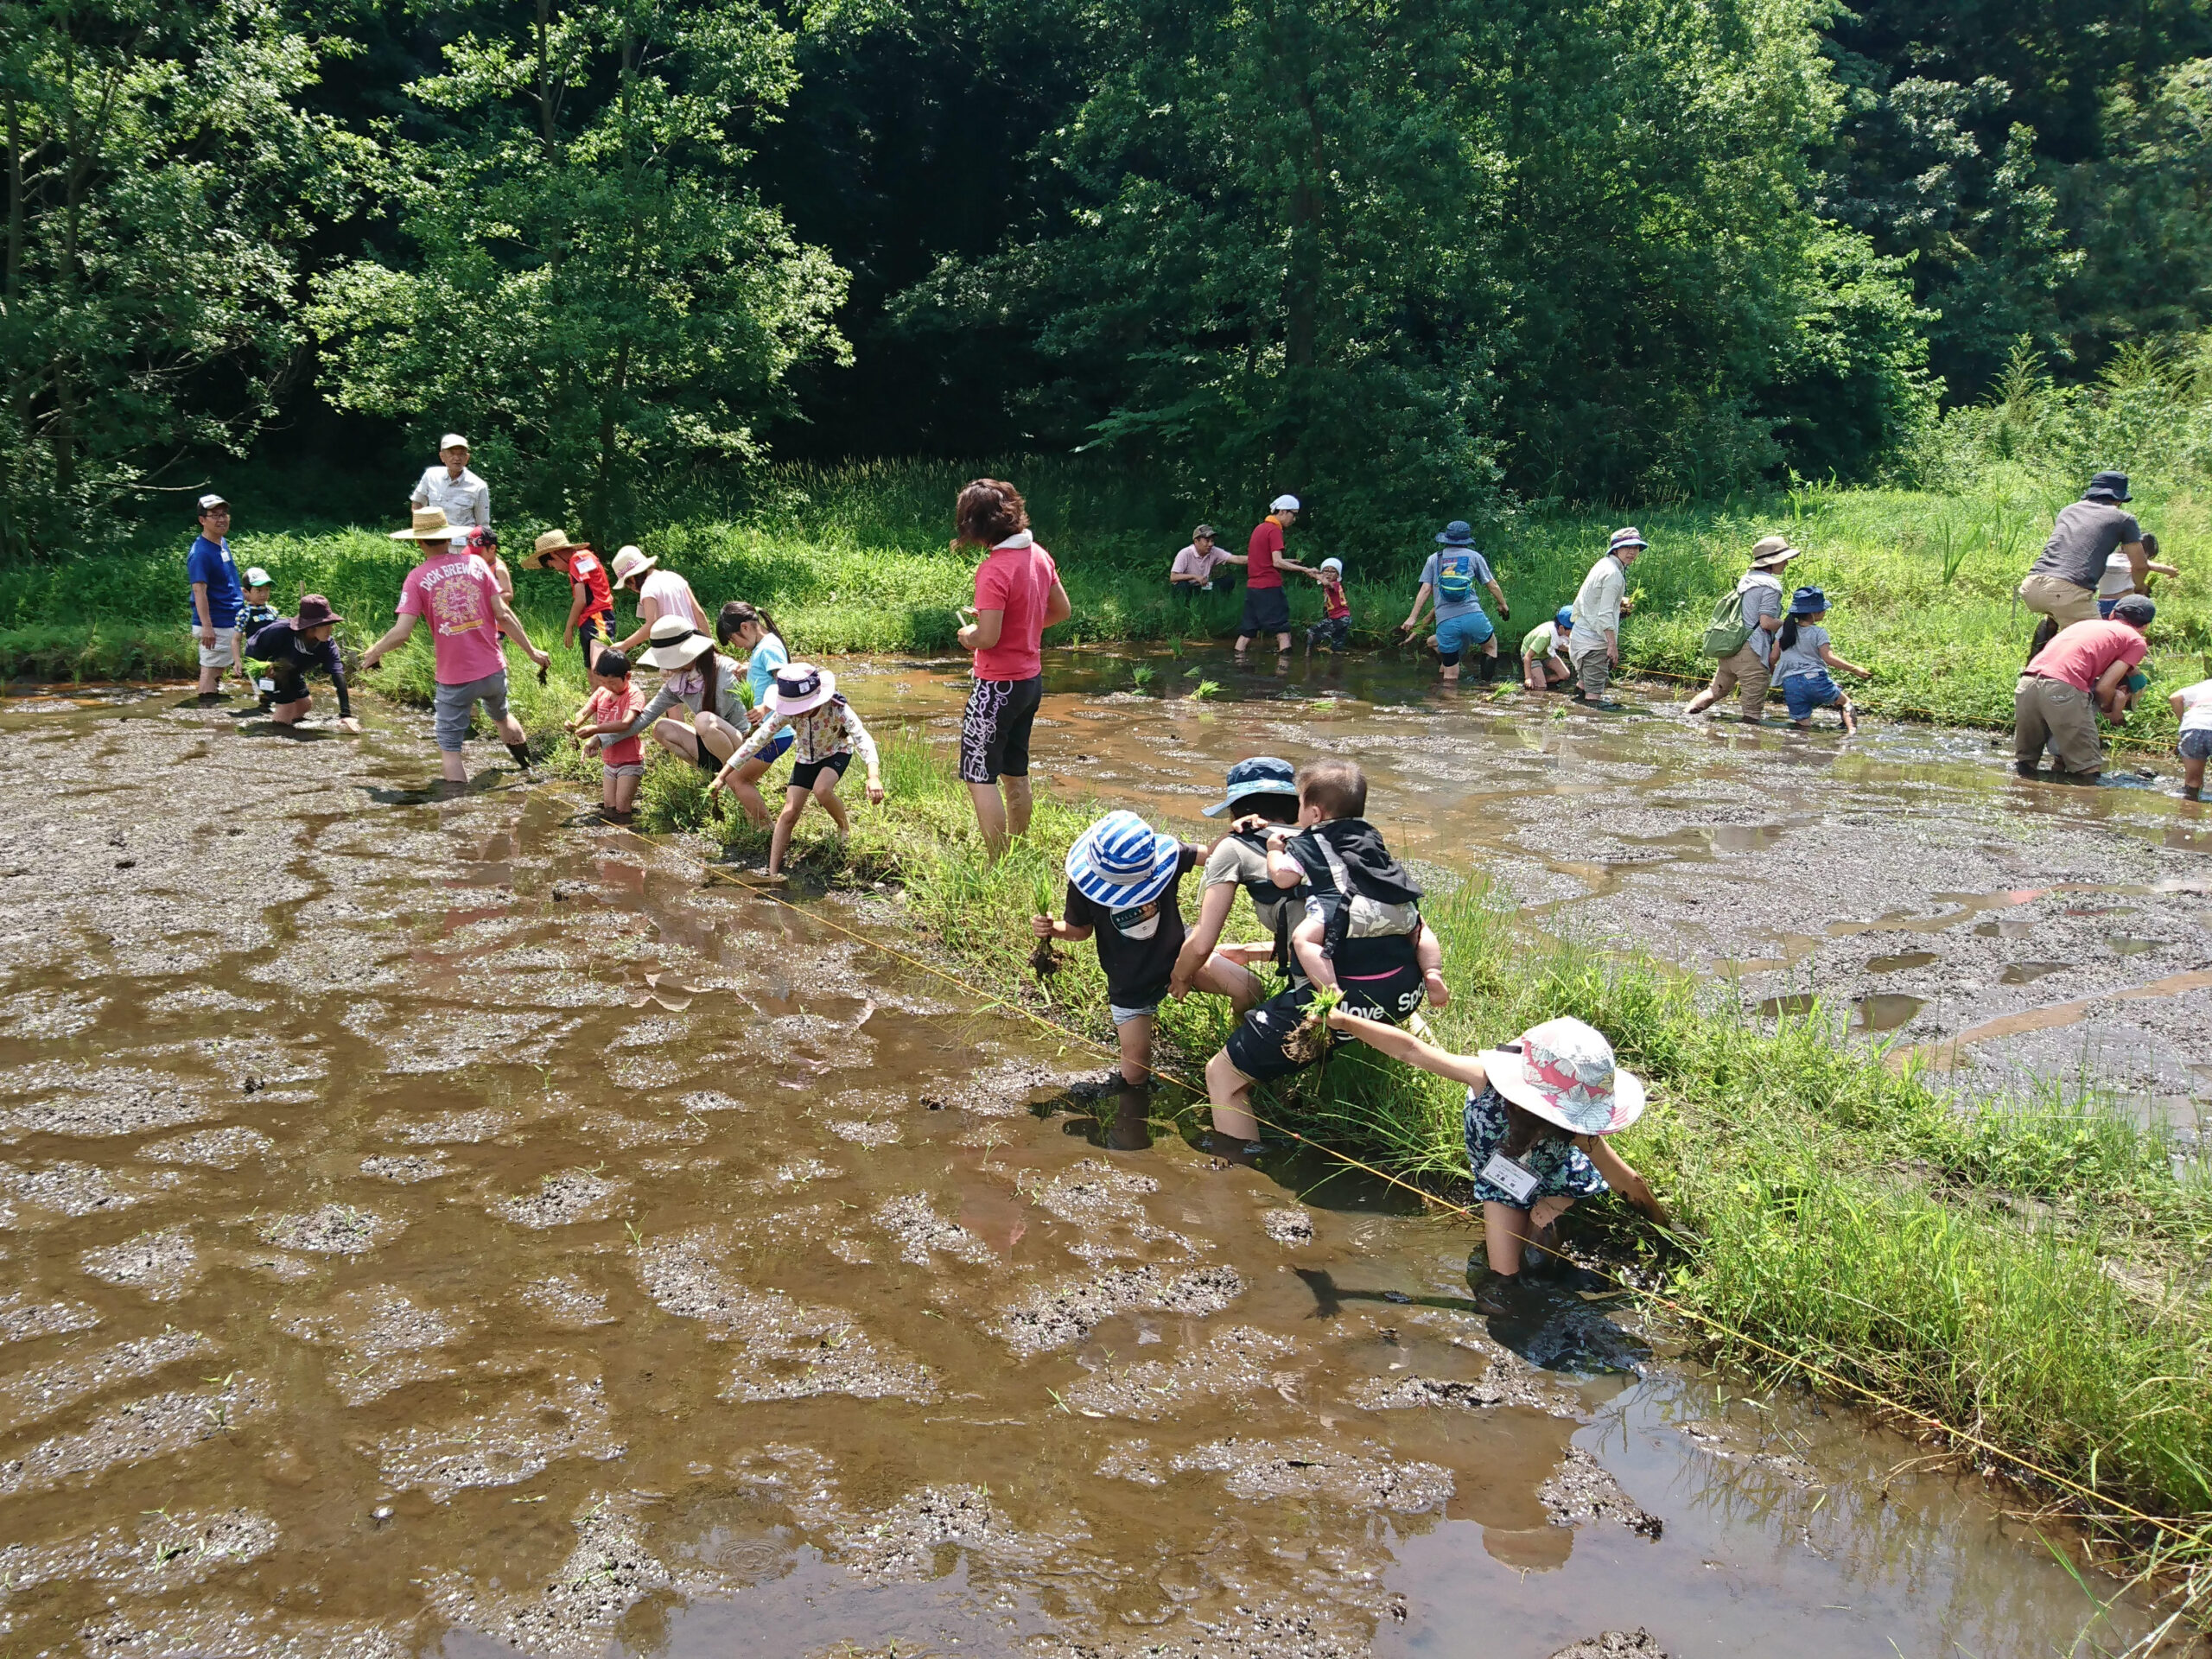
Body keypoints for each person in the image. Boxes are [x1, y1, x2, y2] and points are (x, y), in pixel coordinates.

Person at [1323, 1011, 1669, 1287]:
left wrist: (1666, 1230)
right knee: (1505, 1276)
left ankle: (1562, 1229)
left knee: (1539, 1258)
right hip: (1502, 1186)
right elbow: (1411, 1050)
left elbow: (1627, 1180)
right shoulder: (1485, 1079)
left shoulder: (1575, 1129)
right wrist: (1345, 1021)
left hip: (1554, 1180)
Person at [1201, 759, 1434, 1153]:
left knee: (1221, 1074)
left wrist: (1178, 976)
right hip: (1401, 991)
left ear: (1311, 811)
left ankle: (1239, 1181)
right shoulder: (1366, 845)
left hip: (1338, 1002)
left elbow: (1204, 941)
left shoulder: (1290, 849)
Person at [359, 508, 551, 782]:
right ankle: (528, 771)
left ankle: (457, 812)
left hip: (455, 678)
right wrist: (532, 652)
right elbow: (504, 615)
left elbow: (402, 633)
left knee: (451, 750)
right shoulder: (478, 566)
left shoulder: (416, 578)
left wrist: (374, 651)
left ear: (418, 542)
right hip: (493, 670)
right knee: (503, 717)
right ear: (448, 539)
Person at [1033, 810, 1204, 1090]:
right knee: (1136, 1072)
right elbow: (1081, 930)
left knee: (1247, 987)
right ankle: (1129, 1110)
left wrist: (1242, 834)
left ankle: (1234, 1052)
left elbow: (1217, 856)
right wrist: (1053, 929)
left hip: (1182, 956)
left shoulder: (1167, 856)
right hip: (1130, 983)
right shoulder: (1083, 886)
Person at [1268, 760, 1449, 1010]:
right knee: (1421, 929)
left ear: (1316, 814)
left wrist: (1274, 852)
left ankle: (1329, 991)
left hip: (1348, 913)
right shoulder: (1371, 835)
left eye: (1300, 805)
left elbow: (1282, 878)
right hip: (1395, 907)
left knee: (1304, 939)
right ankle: (1432, 973)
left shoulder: (1306, 843)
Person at [954, 479, 1071, 855]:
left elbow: (986, 638)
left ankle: (997, 861)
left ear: (975, 525)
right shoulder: (1038, 554)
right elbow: (1061, 611)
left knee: (978, 775)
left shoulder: (994, 569)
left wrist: (968, 633)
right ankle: (1018, 850)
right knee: (1014, 770)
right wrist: (1015, 625)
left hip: (995, 687)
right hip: (1029, 682)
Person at [710, 663, 884, 881]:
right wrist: (722, 777)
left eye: (803, 707)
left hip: (835, 752)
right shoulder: (787, 713)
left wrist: (873, 776)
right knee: (789, 811)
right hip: (805, 759)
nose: (798, 713)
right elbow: (755, 742)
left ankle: (844, 828)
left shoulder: (836, 707)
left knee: (822, 790)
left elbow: (862, 737)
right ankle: (773, 872)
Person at [1167, 758, 1307, 1016]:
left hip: (1324, 992)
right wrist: (1248, 952)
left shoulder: (1234, 848)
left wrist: (1180, 975)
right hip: (1390, 974)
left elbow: (1201, 945)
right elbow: (1320, 929)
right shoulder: (1320, 839)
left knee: (1223, 1059)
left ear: (1235, 810)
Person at [2013, 595, 2156, 784]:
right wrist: (2110, 711)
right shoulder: (2135, 640)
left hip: (2028, 683)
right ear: (2145, 626)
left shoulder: (2084, 624)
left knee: (2025, 765)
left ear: (2113, 614)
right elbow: (2105, 687)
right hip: (2063, 688)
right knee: (2088, 770)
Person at [606, 613, 749, 776]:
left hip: (743, 747)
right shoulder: (679, 682)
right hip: (711, 744)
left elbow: (770, 688)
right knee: (662, 728)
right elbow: (645, 717)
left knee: (703, 720)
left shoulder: (727, 669)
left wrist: (750, 669)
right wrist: (603, 739)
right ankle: (710, 775)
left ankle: (733, 778)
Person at [2020, 471, 2145, 654]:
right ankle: (2107, 683)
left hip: (2032, 585)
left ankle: (2031, 670)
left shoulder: (2068, 510)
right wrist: (2139, 588)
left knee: (2055, 618)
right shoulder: (2123, 519)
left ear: (2091, 492)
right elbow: (2140, 565)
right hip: (2066, 592)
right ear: (2119, 499)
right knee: (2102, 646)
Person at [1685, 535, 1797, 722]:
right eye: (1784, 559)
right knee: (1752, 713)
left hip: (1731, 648)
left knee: (1714, 691)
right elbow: (1766, 622)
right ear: (1771, 562)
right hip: (1751, 653)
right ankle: (1750, 745)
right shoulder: (1771, 585)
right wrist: (1792, 624)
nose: (1786, 563)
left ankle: (1684, 718)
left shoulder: (1747, 579)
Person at [713, 601, 794, 828]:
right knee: (741, 778)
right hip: (769, 731)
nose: (736, 646)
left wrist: (765, 708)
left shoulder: (768, 648)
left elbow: (786, 685)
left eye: (733, 639)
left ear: (746, 627)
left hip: (776, 732)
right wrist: (749, 669)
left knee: (736, 778)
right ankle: (756, 823)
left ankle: (765, 828)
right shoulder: (763, 647)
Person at [1400, 521, 1509, 683]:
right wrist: (1503, 605)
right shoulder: (1474, 557)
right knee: (1491, 647)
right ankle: (1485, 688)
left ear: (1446, 538)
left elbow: (1425, 590)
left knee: (1449, 675)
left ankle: (1450, 704)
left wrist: (1412, 618)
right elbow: (1492, 584)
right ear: (1466, 539)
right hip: (1473, 617)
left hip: (1446, 622)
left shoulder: (1434, 559)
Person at [244, 595, 359, 733]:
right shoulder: (279, 631)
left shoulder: (327, 645)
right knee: (287, 706)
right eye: (326, 625)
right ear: (310, 627)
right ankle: (276, 736)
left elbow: (338, 675)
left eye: (331, 624)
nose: (330, 629)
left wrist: (346, 714)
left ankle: (282, 728)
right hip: (270, 672)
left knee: (304, 704)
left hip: (293, 671)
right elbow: (251, 650)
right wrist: (264, 666)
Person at [1772, 586, 1872, 734]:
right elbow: (1829, 658)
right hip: (1815, 680)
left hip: (1791, 684)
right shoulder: (1818, 632)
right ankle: (1851, 735)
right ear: (1814, 612)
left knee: (1803, 725)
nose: (1825, 611)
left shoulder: (1783, 631)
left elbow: (1773, 657)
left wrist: (1778, 675)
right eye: (1823, 609)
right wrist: (1855, 669)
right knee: (1845, 703)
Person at [1567, 526, 1644, 706]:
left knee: (1584, 682)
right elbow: (1605, 614)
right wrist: (1612, 645)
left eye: (1636, 548)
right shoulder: (1614, 575)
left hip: (1581, 635)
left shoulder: (1603, 564)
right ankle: (1587, 723)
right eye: (1627, 547)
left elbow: (1596, 600)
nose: (1632, 552)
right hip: (1596, 641)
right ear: (1616, 549)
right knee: (1594, 696)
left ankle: (1569, 713)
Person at [1230, 495, 1316, 653]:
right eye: (1293, 514)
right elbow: (1277, 562)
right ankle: (1284, 672)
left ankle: (1238, 668)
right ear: (1283, 511)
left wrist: (1290, 561)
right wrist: (1305, 570)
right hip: (1269, 587)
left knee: (1247, 632)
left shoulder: (1259, 528)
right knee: (1282, 630)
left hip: (1253, 589)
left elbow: (1262, 559)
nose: (1294, 519)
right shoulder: (1274, 530)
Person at [569, 648, 647, 822]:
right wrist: (575, 723)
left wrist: (595, 730)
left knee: (622, 808)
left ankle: (625, 841)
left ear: (627, 676)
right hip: (609, 761)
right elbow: (584, 712)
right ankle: (612, 841)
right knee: (609, 807)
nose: (608, 687)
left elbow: (626, 723)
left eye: (612, 683)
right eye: (604, 682)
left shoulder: (634, 694)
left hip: (630, 761)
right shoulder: (601, 692)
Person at [524, 530, 618, 667]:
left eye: (552, 565)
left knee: (601, 669)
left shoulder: (577, 559)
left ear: (553, 554)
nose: (556, 569)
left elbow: (581, 600)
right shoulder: (583, 557)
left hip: (598, 617)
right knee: (592, 671)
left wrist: (569, 627)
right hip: (588, 619)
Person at [186, 493, 245, 697]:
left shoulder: (221, 543)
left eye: (224, 514)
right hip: (216, 622)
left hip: (230, 618)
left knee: (217, 669)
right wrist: (207, 627)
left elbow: (227, 581)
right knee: (211, 670)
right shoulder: (200, 553)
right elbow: (199, 591)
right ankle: (208, 717)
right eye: (215, 515)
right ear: (202, 520)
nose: (222, 519)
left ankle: (211, 710)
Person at [611, 545, 707, 656]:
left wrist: (625, 645)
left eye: (628, 584)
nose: (631, 589)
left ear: (632, 578)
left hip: (675, 651)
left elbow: (651, 625)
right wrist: (709, 645)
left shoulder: (648, 589)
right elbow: (699, 613)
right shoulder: (674, 577)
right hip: (695, 644)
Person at [409, 433, 490, 531]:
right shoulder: (431, 476)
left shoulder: (478, 486)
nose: (456, 458)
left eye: (461, 454)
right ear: (442, 456)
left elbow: (483, 526)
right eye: (452, 453)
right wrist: (422, 530)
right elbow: (418, 503)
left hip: (464, 543)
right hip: (435, 542)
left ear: (467, 458)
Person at [2099, 532, 2179, 617]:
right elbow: (2160, 567)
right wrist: (2172, 572)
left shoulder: (2108, 558)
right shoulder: (2136, 560)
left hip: (2101, 603)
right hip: (2121, 604)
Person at [2170, 670, 2212, 801]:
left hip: (2194, 726)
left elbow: (2174, 698)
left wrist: (2184, 723)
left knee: (2192, 783)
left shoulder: (2206, 685)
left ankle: (2189, 813)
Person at [1520, 608, 1574, 692]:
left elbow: (1560, 646)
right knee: (1541, 687)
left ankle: (1540, 679)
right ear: (1561, 628)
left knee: (1565, 675)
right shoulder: (1545, 637)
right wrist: (1528, 678)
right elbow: (1528, 657)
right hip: (1532, 655)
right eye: (1572, 630)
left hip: (1546, 652)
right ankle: (1534, 681)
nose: (1574, 633)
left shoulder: (1559, 633)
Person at [1306, 557, 1352, 653]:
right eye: (1326, 571)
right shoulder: (1331, 587)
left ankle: (1308, 658)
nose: (1328, 573)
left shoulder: (1334, 584)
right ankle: (1336, 662)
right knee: (1336, 644)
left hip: (1339, 618)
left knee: (1312, 632)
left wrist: (1317, 576)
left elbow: (1327, 584)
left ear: (1337, 575)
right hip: (1344, 618)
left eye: (1332, 571)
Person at [1169, 526, 1230, 595]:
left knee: (1227, 581)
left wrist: (1245, 559)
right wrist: (1195, 577)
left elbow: (1234, 558)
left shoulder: (1213, 551)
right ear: (1196, 541)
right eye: (1207, 541)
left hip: (1202, 587)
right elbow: (1173, 577)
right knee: (1182, 586)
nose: (1210, 544)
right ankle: (1185, 604)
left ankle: (1216, 601)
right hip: (1188, 587)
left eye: (1212, 541)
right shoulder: (1185, 553)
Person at [238, 567, 280, 639]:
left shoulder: (273, 611)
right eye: (259, 590)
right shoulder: (245, 613)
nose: (263, 594)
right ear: (246, 591)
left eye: (267, 589)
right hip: (254, 650)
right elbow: (236, 639)